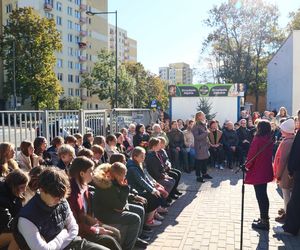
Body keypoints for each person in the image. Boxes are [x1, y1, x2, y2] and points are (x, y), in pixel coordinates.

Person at [14, 167, 107, 250]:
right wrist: (64, 233)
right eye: (55, 196)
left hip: (74, 243)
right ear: (41, 190)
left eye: (61, 196)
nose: (58, 200)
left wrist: (62, 237)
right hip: (69, 243)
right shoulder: (26, 218)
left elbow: (74, 229)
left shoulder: (62, 200)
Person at [68, 157, 122, 250]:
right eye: (91, 171)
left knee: (116, 233)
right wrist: (96, 230)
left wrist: (97, 224)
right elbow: (75, 225)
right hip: (79, 233)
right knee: (110, 240)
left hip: (88, 225)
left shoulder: (84, 186)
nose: (93, 174)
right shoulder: (72, 194)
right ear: (82, 173)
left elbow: (86, 214)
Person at [93, 162, 143, 250]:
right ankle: (127, 248)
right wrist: (125, 188)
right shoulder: (107, 184)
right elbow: (119, 208)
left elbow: (119, 200)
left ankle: (135, 239)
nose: (125, 177)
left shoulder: (113, 180)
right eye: (124, 175)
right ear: (117, 174)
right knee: (135, 218)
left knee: (139, 209)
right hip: (105, 213)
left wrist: (125, 190)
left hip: (112, 207)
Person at [245, 120, 274, 230]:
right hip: (265, 169)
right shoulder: (270, 138)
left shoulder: (257, 139)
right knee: (263, 195)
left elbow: (252, 154)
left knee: (260, 196)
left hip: (258, 170)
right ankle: (264, 217)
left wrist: (247, 166)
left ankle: (264, 221)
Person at [273, 122, 300, 235]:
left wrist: (278, 175)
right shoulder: (293, 138)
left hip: (286, 173)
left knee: (287, 196)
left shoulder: (287, 142)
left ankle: (288, 217)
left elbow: (282, 160)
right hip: (291, 172)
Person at [126, 147, 163, 227]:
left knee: (157, 193)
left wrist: (153, 186)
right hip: (136, 191)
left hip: (140, 189)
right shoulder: (132, 168)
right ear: (135, 157)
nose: (144, 158)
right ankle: (149, 220)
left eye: (144, 155)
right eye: (141, 156)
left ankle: (153, 214)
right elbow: (141, 180)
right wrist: (152, 190)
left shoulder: (138, 163)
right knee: (155, 196)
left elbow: (145, 177)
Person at [0, 169, 28, 250]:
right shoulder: (2, 199)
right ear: (14, 186)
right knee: (19, 237)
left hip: (5, 229)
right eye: (22, 187)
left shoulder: (14, 194)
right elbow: (7, 224)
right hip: (3, 230)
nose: (25, 190)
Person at [191, 111, 212, 182]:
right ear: (199, 117)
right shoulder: (195, 126)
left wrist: (208, 143)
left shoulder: (203, 124)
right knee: (199, 162)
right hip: (199, 146)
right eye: (203, 115)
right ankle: (198, 176)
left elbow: (206, 136)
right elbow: (197, 137)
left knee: (205, 160)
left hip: (205, 146)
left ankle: (204, 173)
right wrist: (206, 133)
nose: (204, 116)